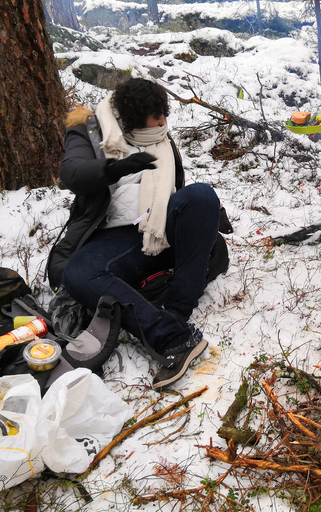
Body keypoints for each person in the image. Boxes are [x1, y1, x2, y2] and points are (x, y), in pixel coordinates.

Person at [47, 77, 227, 390]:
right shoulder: (89, 130)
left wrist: (205, 219)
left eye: (164, 114)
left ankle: (176, 314)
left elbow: (176, 192)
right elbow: (71, 174)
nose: (163, 122)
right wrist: (114, 168)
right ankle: (173, 337)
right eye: (155, 115)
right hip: (115, 236)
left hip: (157, 227)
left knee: (202, 196)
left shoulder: (160, 136)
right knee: (78, 274)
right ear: (131, 116)